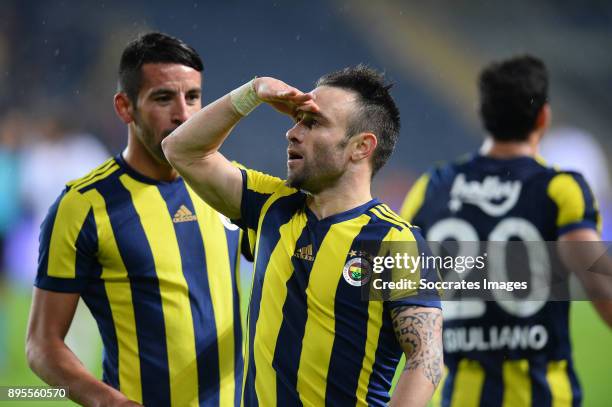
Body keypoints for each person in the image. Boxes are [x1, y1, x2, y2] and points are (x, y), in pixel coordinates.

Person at [162, 65, 443, 406]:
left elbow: (425, 359)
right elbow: (182, 149)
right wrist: (254, 91)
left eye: (313, 122)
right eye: (296, 120)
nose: (292, 133)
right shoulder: (271, 206)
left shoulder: (393, 241)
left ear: (361, 147)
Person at [27, 32, 247, 407]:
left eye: (193, 96)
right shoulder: (83, 206)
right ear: (125, 107)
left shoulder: (231, 186)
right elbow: (42, 344)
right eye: (163, 97)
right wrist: (109, 401)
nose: (183, 113)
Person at [400, 55, 612, 406]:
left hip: (461, 398)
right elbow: (602, 286)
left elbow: (396, 288)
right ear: (543, 116)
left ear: (483, 115)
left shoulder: (432, 187)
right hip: (543, 397)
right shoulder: (561, 189)